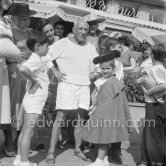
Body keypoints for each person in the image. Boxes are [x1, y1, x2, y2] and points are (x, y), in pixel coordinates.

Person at [43, 20, 98, 164]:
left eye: (85, 29)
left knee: (80, 120)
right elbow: (45, 55)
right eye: (80, 29)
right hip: (66, 85)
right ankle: (51, 152)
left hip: (84, 87)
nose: (83, 32)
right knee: (59, 118)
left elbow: (95, 67)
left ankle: (78, 149)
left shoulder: (91, 48)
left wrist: (94, 73)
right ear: (74, 29)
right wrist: (54, 70)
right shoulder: (62, 43)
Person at [81, 50, 130, 166]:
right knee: (100, 135)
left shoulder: (115, 82)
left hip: (109, 113)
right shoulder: (99, 81)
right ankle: (105, 159)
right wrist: (94, 99)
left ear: (113, 69)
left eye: (108, 69)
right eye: (103, 69)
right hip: (99, 110)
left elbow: (120, 101)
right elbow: (94, 93)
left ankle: (99, 160)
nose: (105, 71)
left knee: (104, 136)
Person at [13, 30, 49, 166]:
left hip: (31, 100)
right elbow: (23, 69)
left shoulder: (37, 58)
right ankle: (24, 162)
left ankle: (18, 158)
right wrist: (34, 80)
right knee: (28, 132)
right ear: (38, 46)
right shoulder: (35, 59)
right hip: (34, 101)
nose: (48, 48)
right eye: (47, 46)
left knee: (25, 131)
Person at [7, 3, 36, 146]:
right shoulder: (9, 31)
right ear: (15, 18)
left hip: (28, 75)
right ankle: (8, 139)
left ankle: (18, 138)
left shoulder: (31, 33)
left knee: (25, 106)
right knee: (12, 104)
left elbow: (38, 51)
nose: (27, 21)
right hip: (14, 72)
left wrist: (30, 53)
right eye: (23, 18)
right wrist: (18, 55)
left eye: (28, 18)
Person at [138, 43, 166, 166]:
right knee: (153, 134)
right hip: (159, 104)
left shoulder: (155, 69)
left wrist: (148, 91)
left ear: (153, 56)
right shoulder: (163, 69)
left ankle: (155, 162)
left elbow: (163, 85)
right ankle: (148, 161)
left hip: (155, 105)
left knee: (154, 135)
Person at [0, 0, 21, 157]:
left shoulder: (7, 21)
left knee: (5, 106)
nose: (9, 1)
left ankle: (8, 140)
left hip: (5, 68)